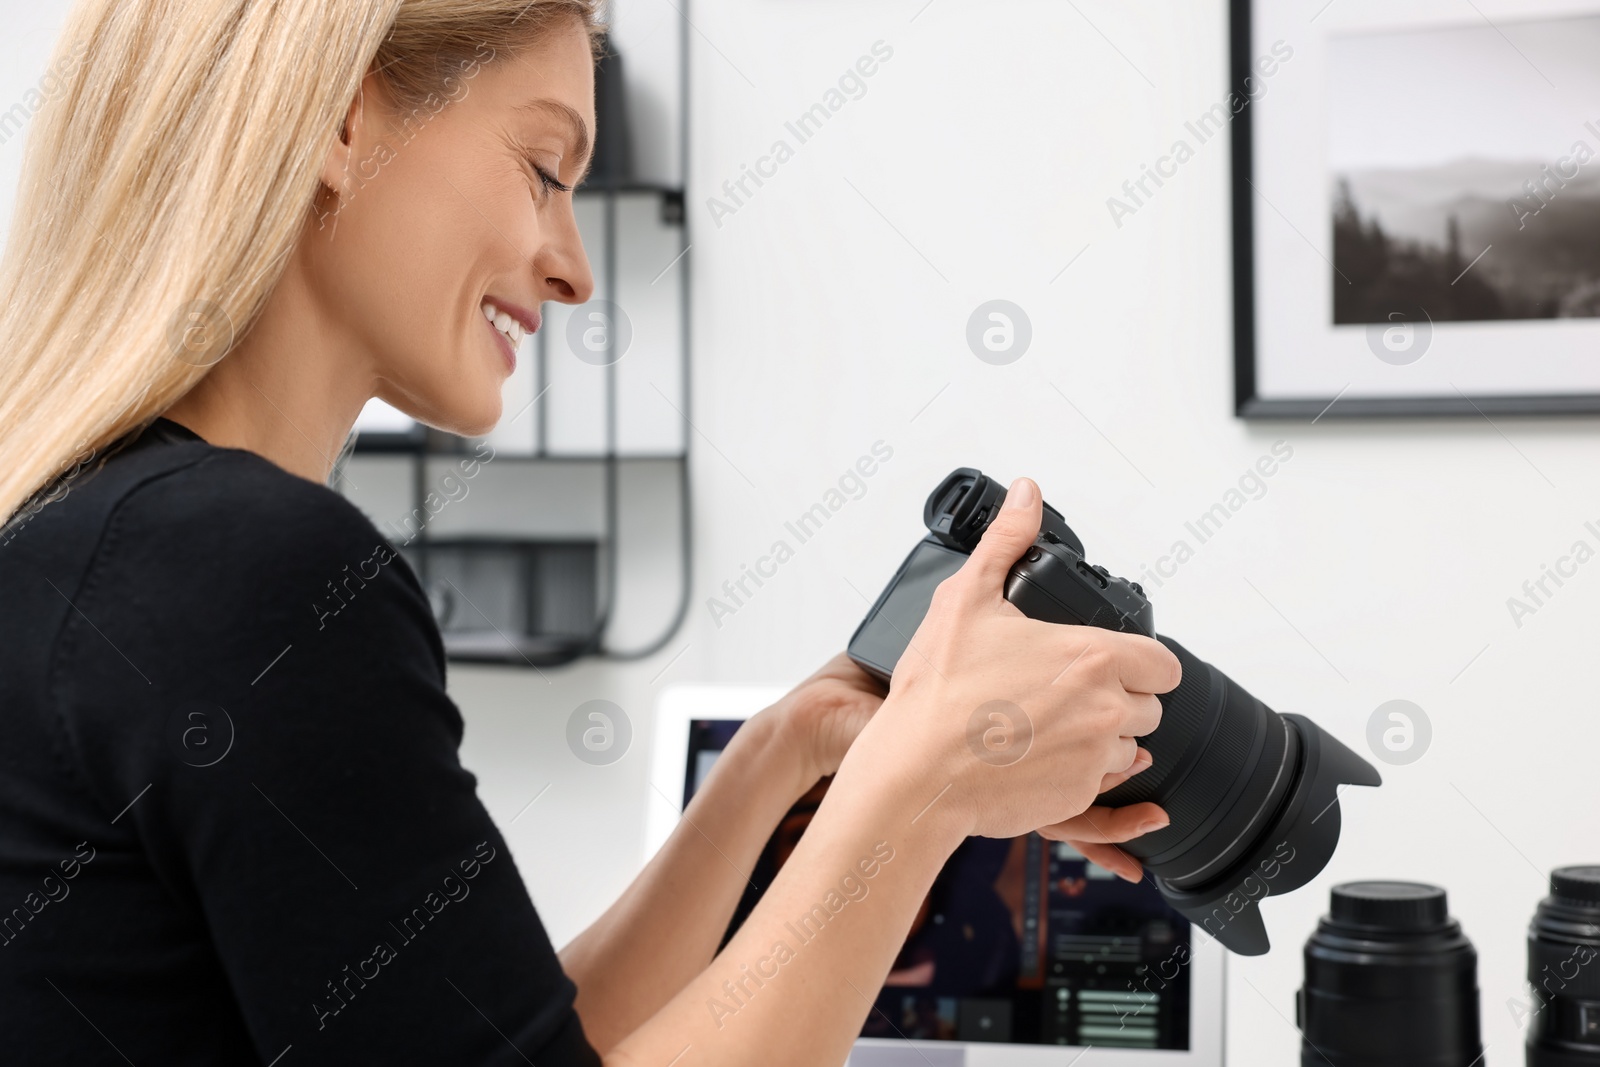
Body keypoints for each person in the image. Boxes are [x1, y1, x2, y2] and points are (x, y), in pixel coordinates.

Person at [0, 1, 1181, 1063]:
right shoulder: (246, 570)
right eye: (542, 167)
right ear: (340, 117)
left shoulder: (93, 537)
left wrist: (784, 757)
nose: (572, 271)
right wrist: (922, 794)